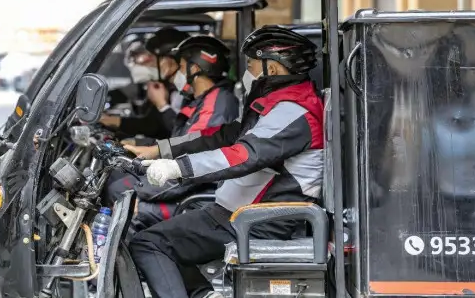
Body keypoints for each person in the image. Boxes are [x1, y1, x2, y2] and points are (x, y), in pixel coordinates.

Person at [126, 25, 325, 298]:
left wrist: (178, 168)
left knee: (149, 243)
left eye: (252, 65)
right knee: (157, 238)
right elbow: (221, 135)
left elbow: (245, 154)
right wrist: (160, 151)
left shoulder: (294, 112)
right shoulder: (277, 105)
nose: (247, 73)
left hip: (254, 221)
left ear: (274, 69)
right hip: (233, 213)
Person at [106, 34, 240, 232]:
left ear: (195, 69)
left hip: (197, 196)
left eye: (182, 66)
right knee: (115, 181)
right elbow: (182, 143)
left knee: (121, 198)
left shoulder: (217, 103)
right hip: (183, 185)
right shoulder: (199, 100)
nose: (179, 71)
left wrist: (142, 191)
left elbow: (195, 162)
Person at [99, 27, 189, 140]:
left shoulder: (191, 91)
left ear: (172, 59)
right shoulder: (166, 87)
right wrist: (109, 121)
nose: (144, 64)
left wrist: (162, 105)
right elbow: (151, 124)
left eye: (149, 58)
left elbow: (185, 136)